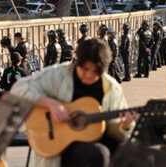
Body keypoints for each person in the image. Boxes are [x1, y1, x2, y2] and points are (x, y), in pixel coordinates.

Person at [10, 39, 137, 167]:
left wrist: (124, 126)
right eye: (85, 69)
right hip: (62, 147)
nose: (88, 75)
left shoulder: (111, 88)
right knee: (98, 154)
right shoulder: (58, 74)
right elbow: (18, 89)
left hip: (98, 142)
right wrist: (50, 104)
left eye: (95, 72)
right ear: (77, 62)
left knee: (134, 153)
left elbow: (115, 131)